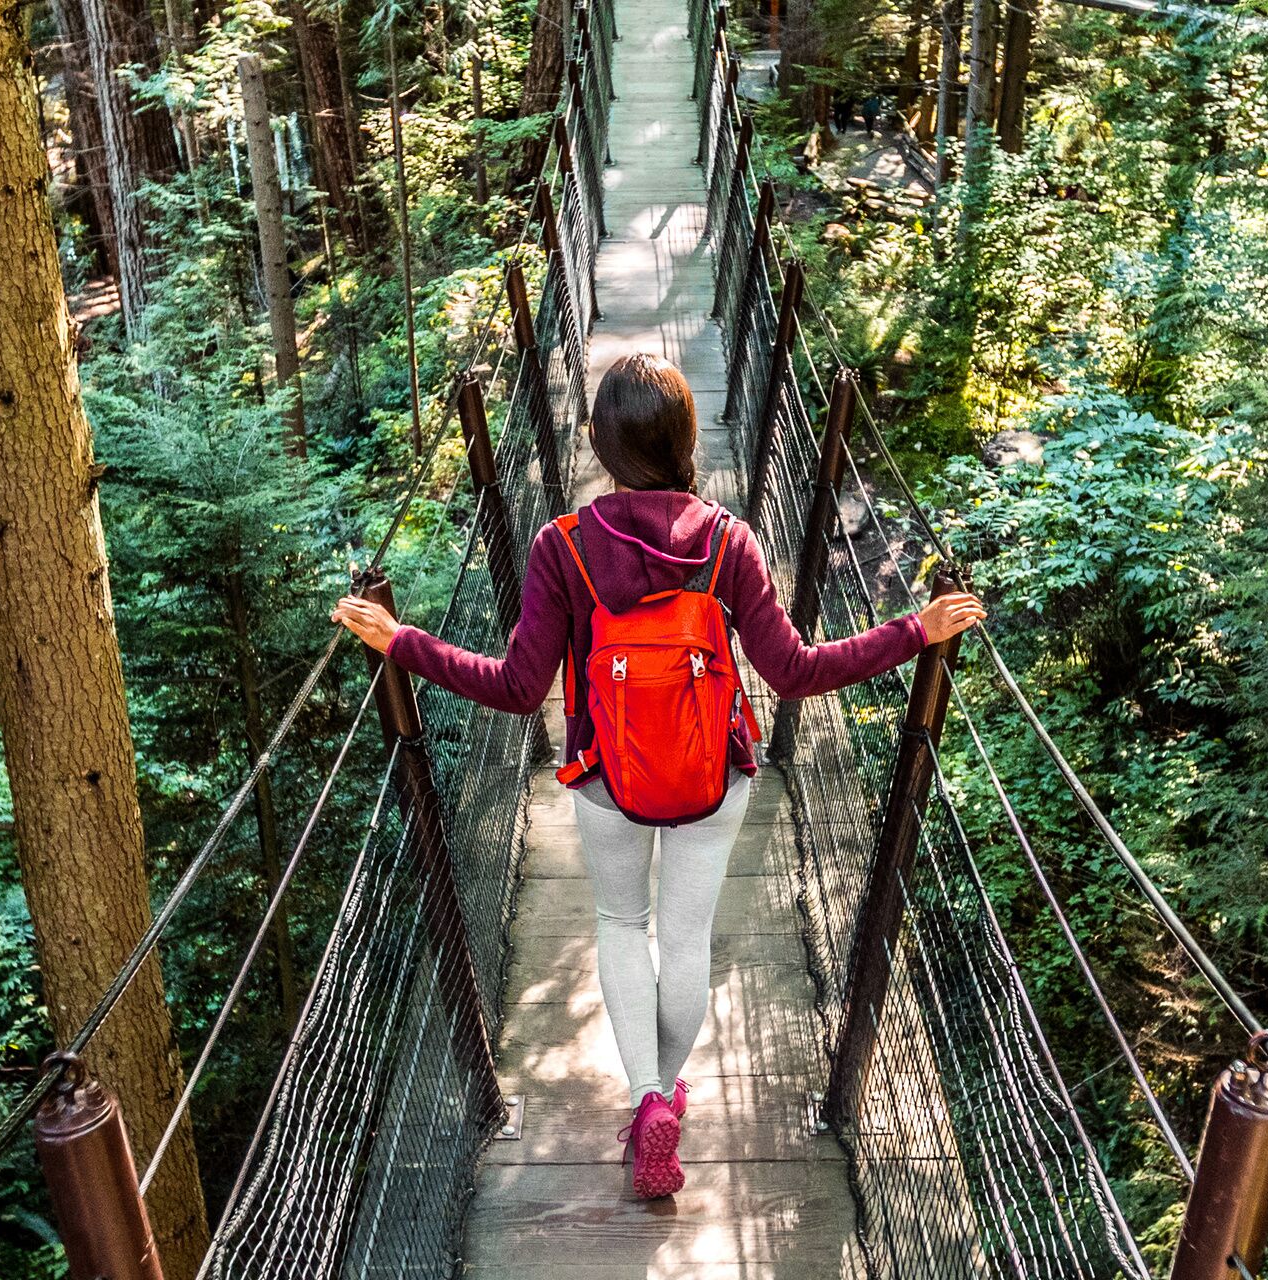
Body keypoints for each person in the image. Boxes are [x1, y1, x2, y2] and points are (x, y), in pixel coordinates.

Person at [331, 353, 983, 1199]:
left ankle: (646, 1095)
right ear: (687, 440)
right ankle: (662, 1098)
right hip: (714, 774)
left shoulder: (563, 546)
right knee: (686, 941)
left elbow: (518, 687)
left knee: (619, 920)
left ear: (600, 445)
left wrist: (401, 642)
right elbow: (793, 671)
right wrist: (914, 631)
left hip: (608, 774)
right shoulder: (728, 541)